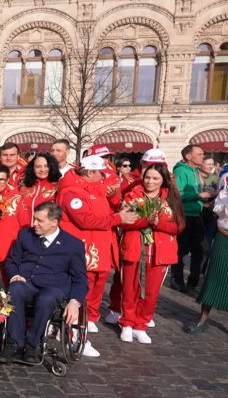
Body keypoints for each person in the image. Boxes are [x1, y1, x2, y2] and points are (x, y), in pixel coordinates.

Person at [57, 155, 137, 357]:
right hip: (82, 251)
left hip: (94, 250)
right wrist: (117, 218)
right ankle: (73, 335)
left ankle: (75, 330)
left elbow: (104, 210)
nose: (104, 177)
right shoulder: (71, 192)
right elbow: (85, 220)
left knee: (89, 293)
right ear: (90, 172)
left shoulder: (91, 189)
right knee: (78, 294)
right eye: (101, 173)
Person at [0, 202, 88, 364]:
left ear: (54, 222)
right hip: (27, 281)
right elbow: (11, 261)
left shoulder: (73, 245)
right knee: (14, 289)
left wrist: (75, 302)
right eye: (34, 219)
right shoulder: (25, 235)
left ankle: (32, 344)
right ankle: (14, 342)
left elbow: (80, 277)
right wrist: (15, 275)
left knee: (46, 299)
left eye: (39, 220)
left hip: (55, 286)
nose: (34, 224)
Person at [117, 164, 183, 344]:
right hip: (134, 249)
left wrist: (158, 223)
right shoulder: (132, 195)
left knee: (151, 293)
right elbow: (122, 221)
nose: (150, 182)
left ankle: (140, 325)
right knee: (130, 289)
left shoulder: (171, 198)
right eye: (147, 177)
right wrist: (145, 221)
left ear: (163, 180)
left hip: (159, 254)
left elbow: (178, 226)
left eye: (155, 178)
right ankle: (127, 323)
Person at [188, 171, 228, 334]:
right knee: (215, 274)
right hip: (225, 235)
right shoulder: (226, 178)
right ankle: (203, 319)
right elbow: (217, 207)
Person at [171, 145, 215, 292]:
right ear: (189, 156)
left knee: (201, 249)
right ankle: (177, 280)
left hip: (196, 214)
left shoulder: (195, 171)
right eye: (200, 154)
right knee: (181, 249)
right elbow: (178, 194)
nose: (203, 156)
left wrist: (204, 200)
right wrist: (200, 195)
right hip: (184, 215)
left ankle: (193, 280)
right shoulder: (181, 171)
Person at [18, 153, 62, 228]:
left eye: (46, 166)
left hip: (47, 231)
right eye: (38, 167)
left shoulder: (58, 186)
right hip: (25, 231)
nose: (42, 170)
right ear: (33, 169)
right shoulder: (23, 187)